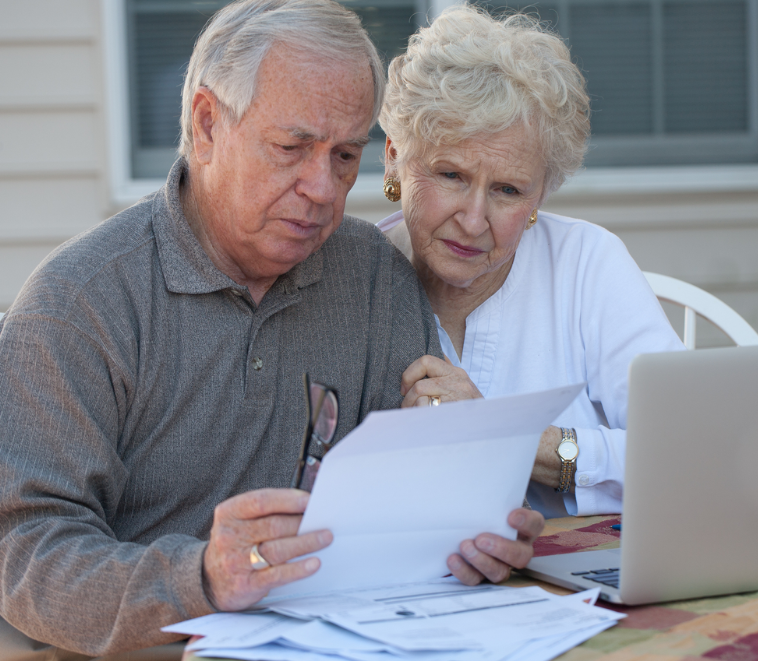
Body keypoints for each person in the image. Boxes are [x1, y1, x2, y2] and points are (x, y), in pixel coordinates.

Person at [0, 1, 543, 657]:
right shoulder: (79, 304)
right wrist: (201, 577)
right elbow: (25, 554)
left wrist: (470, 531)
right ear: (207, 126)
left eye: (345, 156)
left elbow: (415, 502)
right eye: (292, 148)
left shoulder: (372, 274)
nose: (321, 187)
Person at [377, 6, 685, 520]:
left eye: (508, 190)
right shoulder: (352, 281)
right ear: (393, 157)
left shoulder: (587, 264)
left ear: (542, 193)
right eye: (450, 175)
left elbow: (689, 450)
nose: (474, 220)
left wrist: (505, 436)